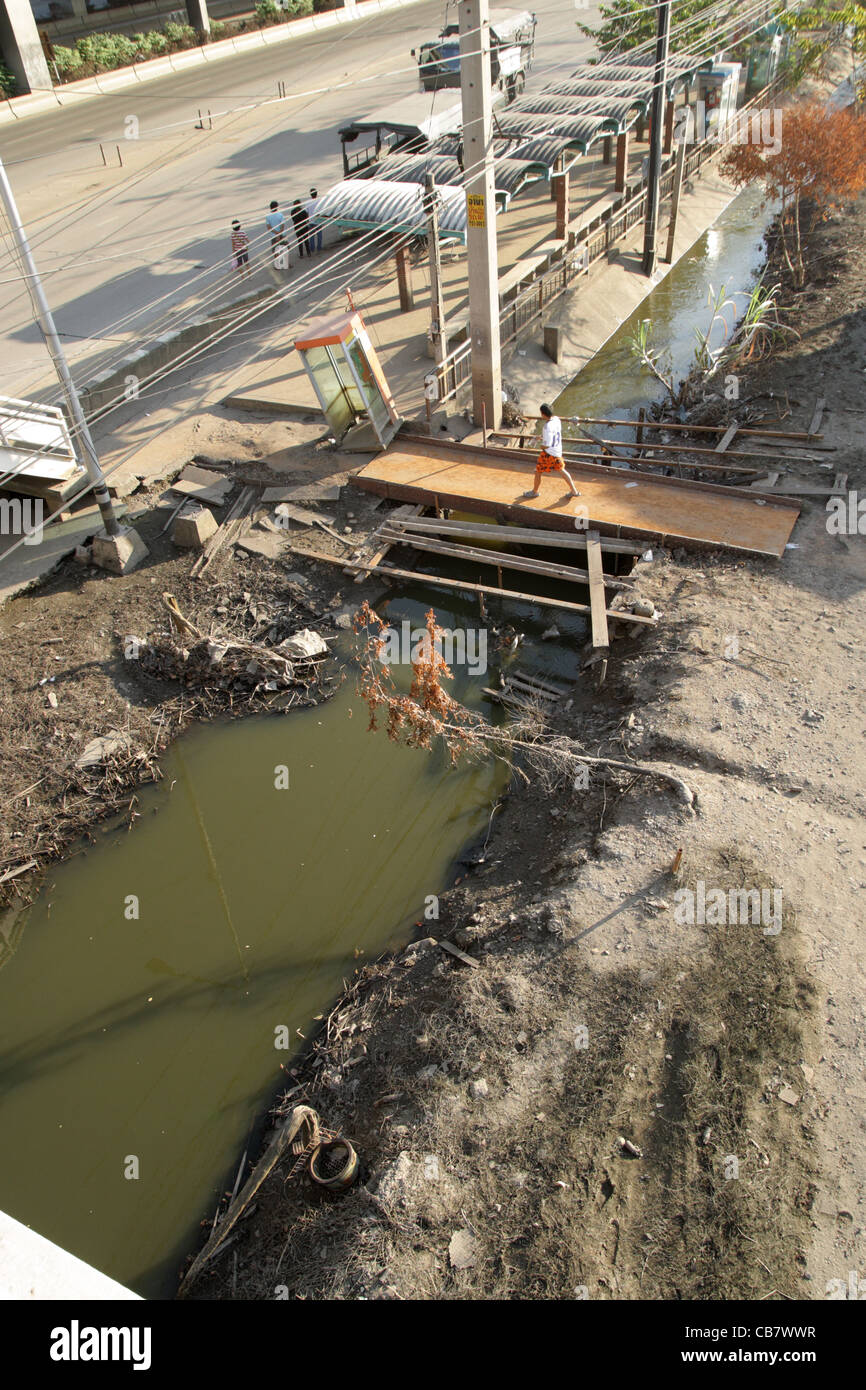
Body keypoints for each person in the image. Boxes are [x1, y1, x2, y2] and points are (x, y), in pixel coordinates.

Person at [520, 403, 581, 501]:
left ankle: (534, 492)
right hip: (557, 452)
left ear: (543, 414)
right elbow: (551, 436)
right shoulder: (556, 419)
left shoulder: (546, 427)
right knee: (562, 471)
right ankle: (574, 491)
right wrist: (541, 437)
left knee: (538, 471)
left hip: (549, 454)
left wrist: (537, 443)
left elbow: (546, 445)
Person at [305, 187, 323, 254]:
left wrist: (307, 220)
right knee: (319, 235)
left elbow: (306, 212)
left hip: (311, 221)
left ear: (310, 194)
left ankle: (312, 248)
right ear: (316, 193)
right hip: (318, 220)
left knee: (311, 236)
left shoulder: (307, 202)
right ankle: (319, 247)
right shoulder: (320, 200)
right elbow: (321, 211)